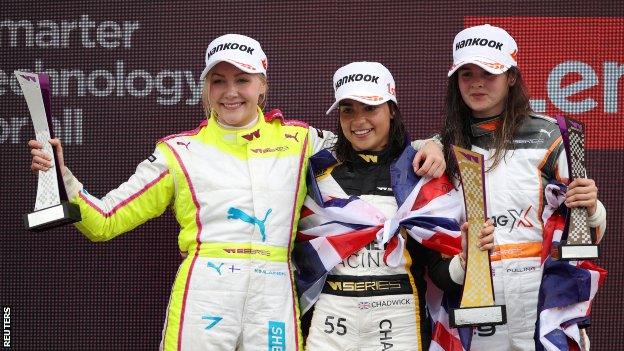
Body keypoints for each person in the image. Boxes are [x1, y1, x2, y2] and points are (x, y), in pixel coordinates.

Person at [28, 35, 444, 351]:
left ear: (262, 85)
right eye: (219, 80)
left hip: (275, 292)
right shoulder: (177, 151)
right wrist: (65, 179)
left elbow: (369, 140)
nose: (231, 92)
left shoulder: (300, 139)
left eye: (242, 80)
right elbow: (104, 221)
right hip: (206, 288)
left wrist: (435, 144)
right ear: (205, 88)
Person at [296, 61, 494, 351]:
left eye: (370, 108)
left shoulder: (418, 172)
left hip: (400, 320)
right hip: (329, 320)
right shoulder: (316, 172)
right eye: (347, 109)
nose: (358, 121)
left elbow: (439, 271)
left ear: (391, 109)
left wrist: (466, 262)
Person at [441, 24, 607, 350]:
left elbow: (584, 241)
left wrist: (593, 208)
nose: (476, 82)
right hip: (478, 290)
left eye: (489, 72)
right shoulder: (442, 147)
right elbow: (431, 241)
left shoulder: (550, 136)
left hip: (539, 286)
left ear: (512, 77)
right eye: (466, 73)